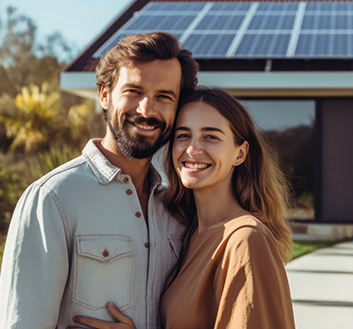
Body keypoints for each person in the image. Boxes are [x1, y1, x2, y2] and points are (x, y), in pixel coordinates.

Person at [0, 32, 199, 329]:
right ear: (104, 95)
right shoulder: (53, 198)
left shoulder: (176, 209)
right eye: (134, 91)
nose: (147, 110)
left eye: (164, 97)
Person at [71, 87, 295, 329]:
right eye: (183, 135)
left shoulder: (245, 240)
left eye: (211, 137)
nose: (193, 149)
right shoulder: (189, 234)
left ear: (240, 153)